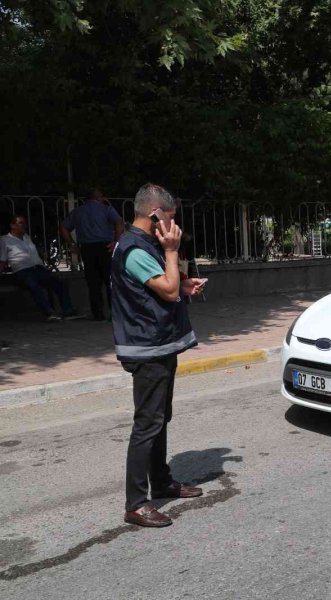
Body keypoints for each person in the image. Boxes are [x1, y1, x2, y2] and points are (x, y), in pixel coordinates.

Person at [112, 183, 207, 528]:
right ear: (155, 213)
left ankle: (162, 481)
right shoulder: (134, 248)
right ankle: (136, 504)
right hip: (147, 347)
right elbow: (165, 292)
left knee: (159, 418)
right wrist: (172, 250)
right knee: (147, 424)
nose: (173, 224)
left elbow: (164, 286)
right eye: (170, 217)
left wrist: (183, 283)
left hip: (159, 344)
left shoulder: (144, 245)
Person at [0, 214, 85, 322]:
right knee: (34, 287)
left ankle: (68, 311)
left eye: (24, 223)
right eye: (20, 223)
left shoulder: (26, 237)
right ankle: (49, 313)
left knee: (59, 283)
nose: (24, 225)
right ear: (12, 225)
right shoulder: (4, 240)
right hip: (22, 270)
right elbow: (2, 259)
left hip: (38, 267)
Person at [60, 189, 125, 321]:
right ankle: (114, 313)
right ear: (99, 197)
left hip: (87, 249)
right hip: (106, 247)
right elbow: (119, 222)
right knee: (110, 281)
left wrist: (72, 244)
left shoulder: (78, 212)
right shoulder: (106, 209)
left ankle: (98, 313)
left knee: (93, 282)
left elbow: (63, 227)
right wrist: (116, 241)